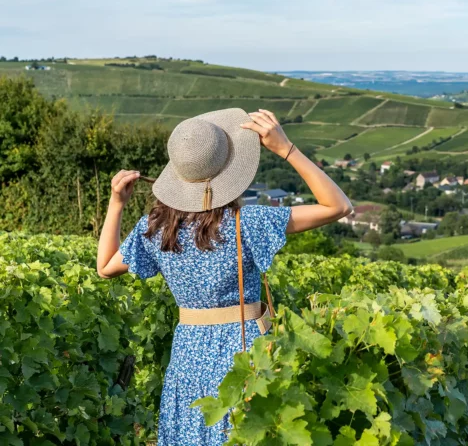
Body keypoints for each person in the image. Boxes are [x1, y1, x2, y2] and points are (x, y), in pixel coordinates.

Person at [96, 108, 352, 445]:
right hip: (244, 356)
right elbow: (338, 206)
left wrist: (116, 203)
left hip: (187, 357)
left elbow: (105, 267)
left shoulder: (155, 229)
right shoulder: (249, 222)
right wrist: (286, 149)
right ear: (228, 171)